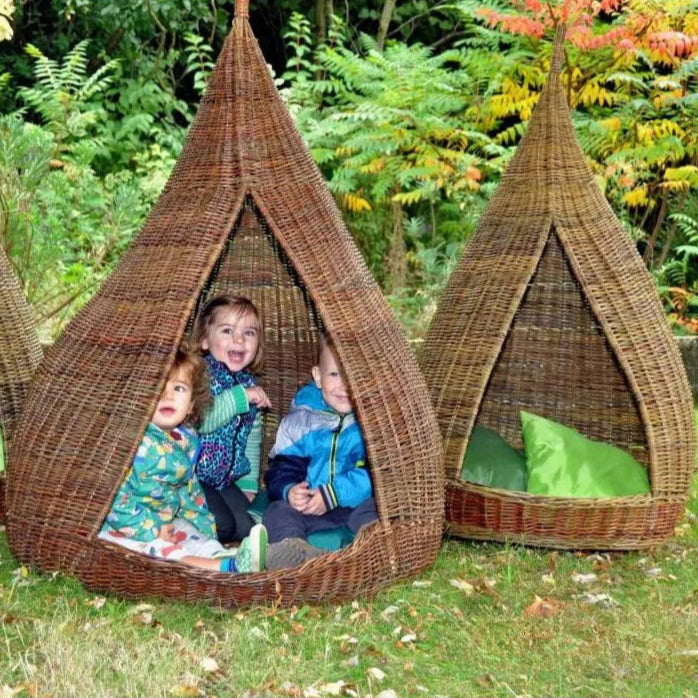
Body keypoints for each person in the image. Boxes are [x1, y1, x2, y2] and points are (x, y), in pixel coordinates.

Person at [99, 344, 266, 573]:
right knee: (163, 553)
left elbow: (189, 491)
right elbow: (114, 498)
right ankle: (226, 567)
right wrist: (151, 530)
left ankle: (224, 556)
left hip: (165, 520)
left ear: (190, 405)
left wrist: (205, 530)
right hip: (124, 528)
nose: (167, 396)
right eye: (158, 388)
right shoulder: (135, 444)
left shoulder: (185, 440)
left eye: (178, 388)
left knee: (195, 537)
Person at [263, 335, 378, 544]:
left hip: (352, 508)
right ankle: (293, 553)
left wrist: (333, 494)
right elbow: (280, 469)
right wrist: (290, 492)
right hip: (307, 510)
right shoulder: (300, 422)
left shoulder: (371, 425)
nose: (345, 386)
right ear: (318, 376)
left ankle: (368, 551)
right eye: (335, 374)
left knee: (379, 507)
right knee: (276, 513)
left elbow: (377, 474)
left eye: (354, 375)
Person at [191, 295, 271, 544]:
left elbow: (252, 439)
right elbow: (200, 420)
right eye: (227, 331)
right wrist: (240, 397)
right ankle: (184, 534)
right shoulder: (199, 375)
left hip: (224, 479)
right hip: (192, 477)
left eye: (249, 333)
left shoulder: (249, 384)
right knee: (222, 525)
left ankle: (235, 558)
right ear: (204, 339)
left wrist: (248, 485)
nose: (239, 340)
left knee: (247, 529)